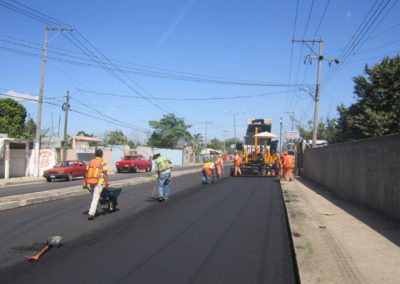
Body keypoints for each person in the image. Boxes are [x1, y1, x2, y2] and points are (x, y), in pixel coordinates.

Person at [83, 149, 109, 220]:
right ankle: (91, 213)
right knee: (95, 198)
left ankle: (99, 209)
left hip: (91, 181)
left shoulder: (91, 161)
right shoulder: (102, 162)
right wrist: (106, 183)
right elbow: (105, 173)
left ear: (95, 155)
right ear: (102, 155)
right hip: (99, 182)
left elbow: (86, 172)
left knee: (95, 196)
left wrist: (85, 182)